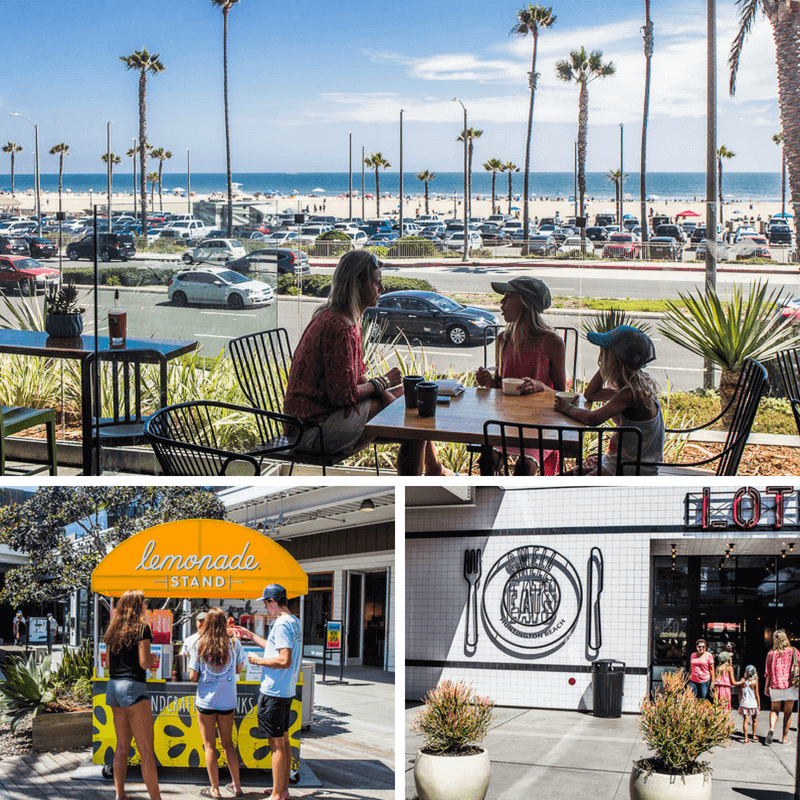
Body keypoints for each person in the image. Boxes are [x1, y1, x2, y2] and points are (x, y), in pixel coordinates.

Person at [283, 249, 447, 475]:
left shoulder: (345, 319)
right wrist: (382, 384)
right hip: (310, 431)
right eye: (376, 282)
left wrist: (382, 392)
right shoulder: (338, 326)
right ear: (357, 284)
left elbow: (357, 374)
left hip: (320, 420)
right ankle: (432, 474)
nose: (382, 289)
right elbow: (341, 395)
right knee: (413, 420)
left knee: (414, 401)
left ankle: (434, 471)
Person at [476, 276, 566, 475]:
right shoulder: (503, 340)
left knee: (525, 466)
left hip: (541, 424)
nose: (501, 302)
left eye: (508, 297)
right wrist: (488, 381)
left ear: (525, 302)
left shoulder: (552, 342)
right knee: (487, 461)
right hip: (507, 420)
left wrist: (542, 387)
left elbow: (562, 393)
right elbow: (499, 385)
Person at [554, 325, 663, 475]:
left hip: (628, 470)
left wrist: (567, 408)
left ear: (616, 363)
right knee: (569, 475)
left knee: (566, 484)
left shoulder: (629, 395)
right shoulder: (636, 387)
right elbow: (591, 394)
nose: (601, 361)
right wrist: (607, 366)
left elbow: (593, 419)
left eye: (604, 357)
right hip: (627, 464)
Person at [234, 584, 302, 800]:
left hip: (274, 691)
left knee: (277, 744)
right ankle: (282, 789)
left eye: (265, 602)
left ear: (273, 602)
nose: (264, 606)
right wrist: (250, 635)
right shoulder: (294, 622)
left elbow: (283, 659)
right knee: (284, 739)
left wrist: (257, 661)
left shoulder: (282, 624)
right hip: (286, 690)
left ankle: (277, 795)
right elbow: (275, 648)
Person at [103, 589, 162, 800]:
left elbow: (108, 664)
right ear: (139, 605)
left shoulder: (112, 629)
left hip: (113, 686)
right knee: (146, 749)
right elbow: (144, 662)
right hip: (133, 687)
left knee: (121, 746)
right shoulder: (142, 627)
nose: (146, 605)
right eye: (144, 602)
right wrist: (154, 657)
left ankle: (120, 796)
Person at [189, 607, 246, 799]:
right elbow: (238, 669)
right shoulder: (234, 643)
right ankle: (237, 786)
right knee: (228, 744)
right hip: (227, 700)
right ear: (224, 623)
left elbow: (192, 676)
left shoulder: (199, 644)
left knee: (210, 745)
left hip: (205, 701)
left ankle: (215, 789)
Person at [764, 629, 800, 745]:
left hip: (775, 685)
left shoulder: (771, 653)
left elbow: (768, 672)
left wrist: (766, 686)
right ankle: (784, 738)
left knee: (774, 710)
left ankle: (771, 728)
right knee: (788, 712)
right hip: (791, 685)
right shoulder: (794, 651)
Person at [736, 665, 760, 744]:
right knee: (754, 719)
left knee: (745, 721)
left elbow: (740, 693)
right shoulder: (755, 682)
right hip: (753, 704)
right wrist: (759, 704)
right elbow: (757, 694)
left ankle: (746, 738)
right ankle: (753, 735)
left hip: (745, 703)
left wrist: (739, 701)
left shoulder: (742, 682)